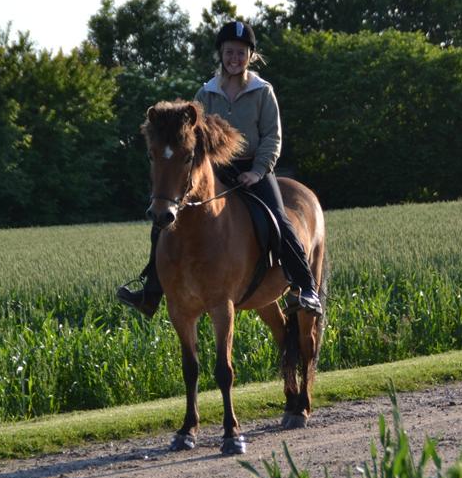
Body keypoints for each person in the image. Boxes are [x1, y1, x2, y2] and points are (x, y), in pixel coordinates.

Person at [116, 20, 323, 318]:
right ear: (221, 54)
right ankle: (150, 292)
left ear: (250, 55)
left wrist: (258, 170)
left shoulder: (263, 91)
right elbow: (191, 140)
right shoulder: (206, 94)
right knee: (161, 221)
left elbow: (272, 137)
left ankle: (305, 288)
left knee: (279, 220)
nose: (234, 58)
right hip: (214, 171)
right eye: (229, 52)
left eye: (240, 53)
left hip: (255, 170)